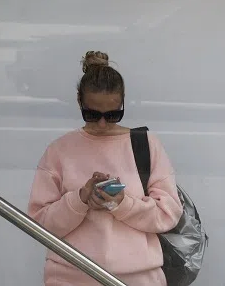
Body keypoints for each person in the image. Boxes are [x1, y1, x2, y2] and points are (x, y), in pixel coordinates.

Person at [27, 51, 183, 286]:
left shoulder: (144, 144)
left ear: (122, 102)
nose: (102, 123)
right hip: (70, 276)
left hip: (139, 277)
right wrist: (80, 199)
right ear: (79, 101)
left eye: (113, 115)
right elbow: (39, 224)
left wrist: (121, 203)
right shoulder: (60, 150)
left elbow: (168, 214)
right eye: (91, 114)